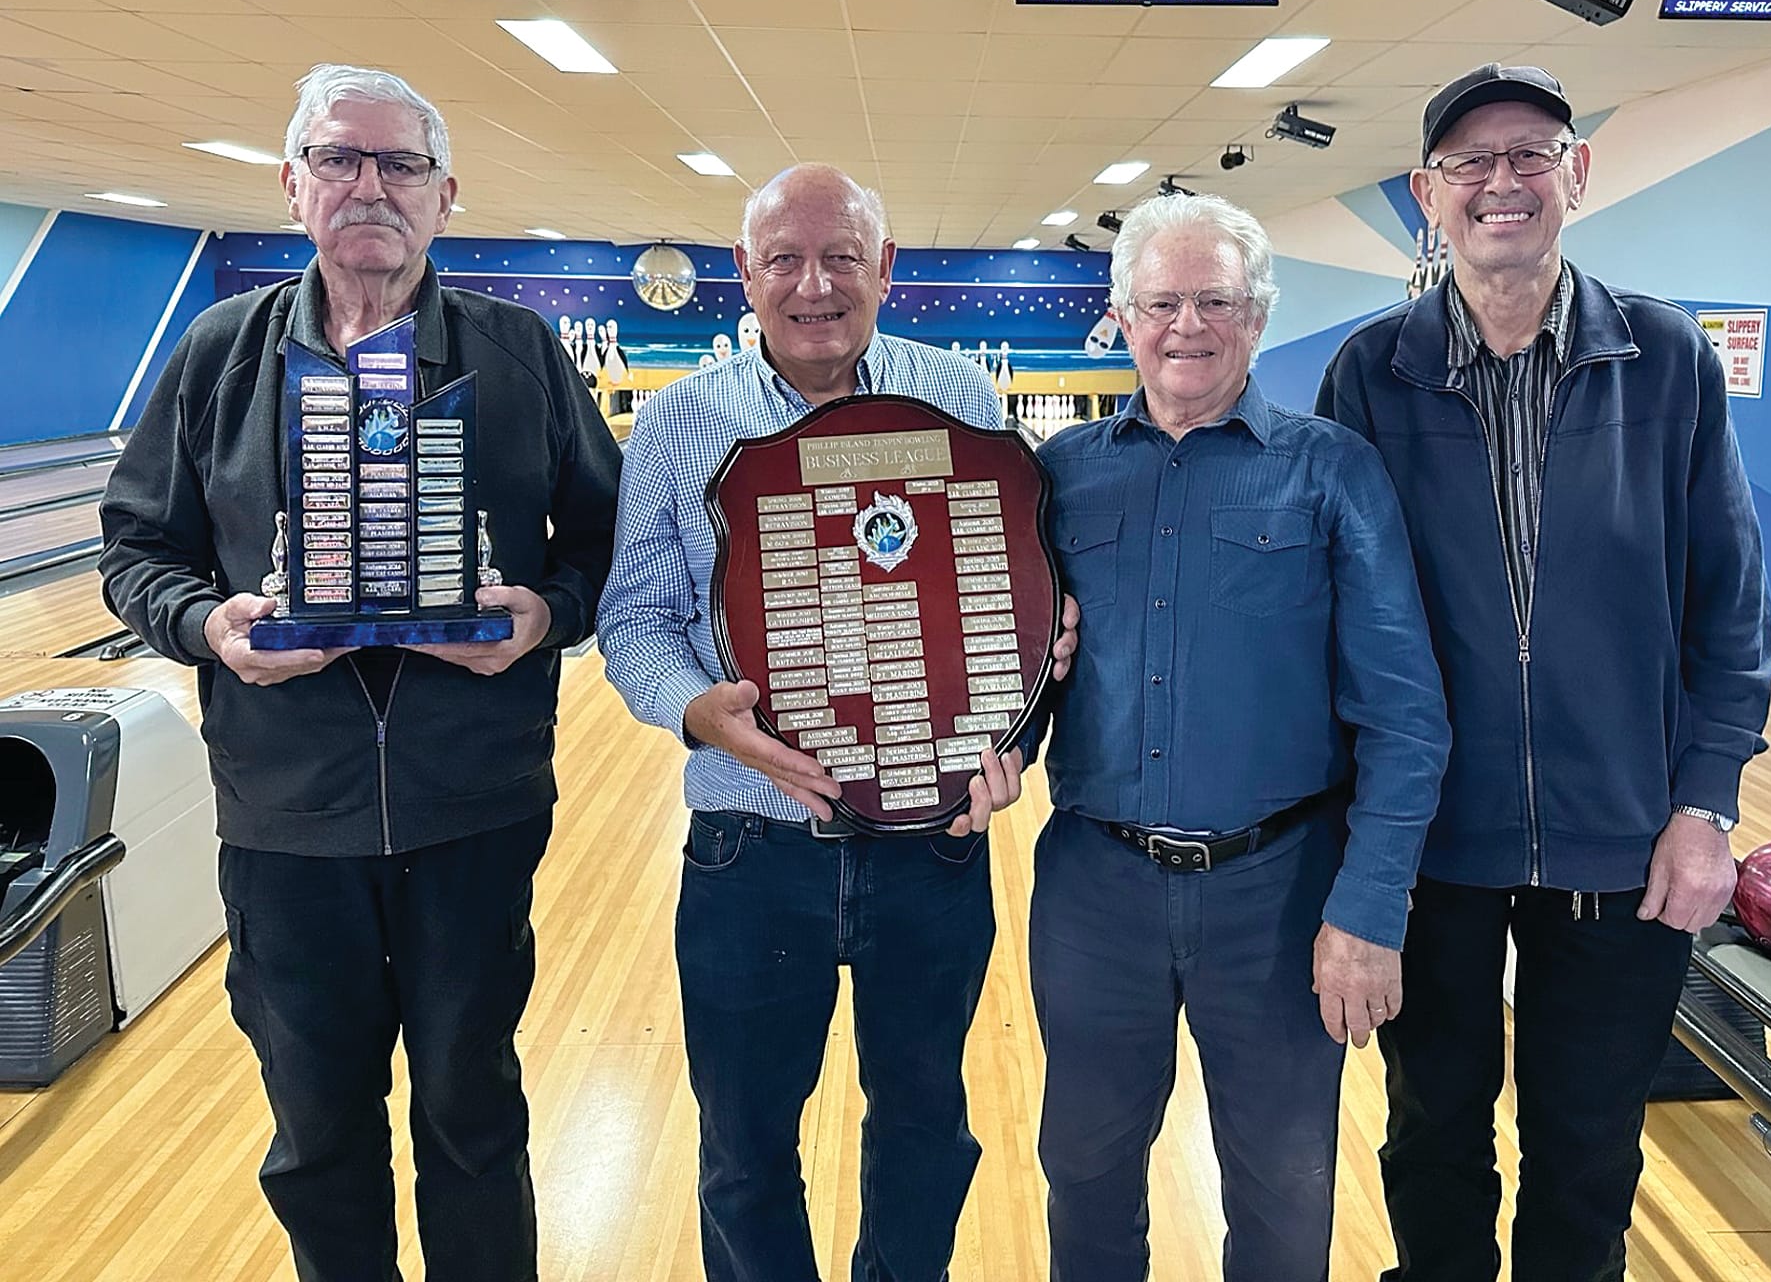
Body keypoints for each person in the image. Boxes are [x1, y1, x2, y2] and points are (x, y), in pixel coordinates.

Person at [98, 63, 622, 1282]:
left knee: (471, 1110)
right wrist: (207, 624)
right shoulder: (221, 354)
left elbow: (608, 544)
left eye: (400, 163)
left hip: (472, 808)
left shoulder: (518, 352)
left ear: (445, 194)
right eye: (338, 158)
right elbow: (135, 550)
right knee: (317, 1129)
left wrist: (543, 613)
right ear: (294, 185)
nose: (369, 185)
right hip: (286, 819)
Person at [1316, 63, 1771, 1282]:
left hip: (1622, 838)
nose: (1500, 182)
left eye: (1529, 153)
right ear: (1427, 193)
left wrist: (1704, 804)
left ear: (1575, 172)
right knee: (1431, 1130)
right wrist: (1357, 848)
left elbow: (1729, 606)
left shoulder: (1664, 357)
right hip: (1432, 838)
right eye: (1468, 162)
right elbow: (1333, 620)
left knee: (1586, 1147)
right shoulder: (1370, 372)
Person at [597, 162, 1079, 1282]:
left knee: (925, 1126)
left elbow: (1017, 600)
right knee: (743, 1148)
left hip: (930, 843)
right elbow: (634, 619)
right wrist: (696, 710)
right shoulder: (677, 422)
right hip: (749, 844)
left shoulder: (959, 396)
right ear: (744, 271)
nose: (813, 285)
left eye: (841, 258)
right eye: (784, 260)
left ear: (885, 267)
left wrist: (1020, 717)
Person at [1027, 191, 1451, 1281]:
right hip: (1094, 888)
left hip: (1280, 890)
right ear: (1123, 316)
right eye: (1160, 302)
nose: (1187, 325)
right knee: (1082, 1171)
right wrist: (968, 759)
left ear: (1256, 315)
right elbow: (1015, 671)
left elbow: (1404, 713)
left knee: (1281, 1189)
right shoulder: (1058, 474)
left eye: (1214, 300)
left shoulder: (1330, 469)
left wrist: (1369, 908)